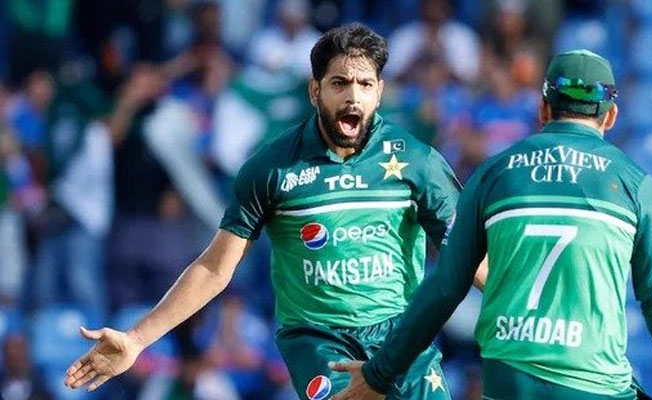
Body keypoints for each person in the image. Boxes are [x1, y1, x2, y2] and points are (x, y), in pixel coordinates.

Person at [63, 23, 486, 399]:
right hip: (320, 339)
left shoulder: (417, 162)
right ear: (315, 90)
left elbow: (471, 257)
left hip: (401, 334)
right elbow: (215, 268)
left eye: (365, 84)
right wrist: (137, 339)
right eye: (340, 83)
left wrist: (536, 308)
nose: (353, 97)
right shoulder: (272, 168)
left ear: (379, 90)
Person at [329, 50, 652, 400]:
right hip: (593, 386)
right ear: (611, 116)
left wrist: (380, 374)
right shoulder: (637, 185)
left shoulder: (492, 174)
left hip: (508, 384)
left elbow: (445, 287)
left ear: (542, 108)